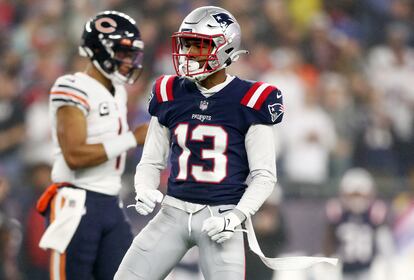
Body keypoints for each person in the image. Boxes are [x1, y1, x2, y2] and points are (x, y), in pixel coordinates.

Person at [115, 6, 285, 280]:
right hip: (172, 213)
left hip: (220, 218)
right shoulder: (168, 91)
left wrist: (236, 217)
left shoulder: (251, 98)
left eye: (198, 45)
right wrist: (143, 187)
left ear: (225, 48)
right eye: (186, 44)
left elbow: (264, 175)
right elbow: (151, 161)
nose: (188, 53)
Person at [36, 11, 148, 280]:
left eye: (131, 53)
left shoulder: (118, 91)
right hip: (76, 201)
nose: (129, 61)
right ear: (98, 50)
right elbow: (74, 155)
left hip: (110, 200)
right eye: (122, 52)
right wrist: (132, 138)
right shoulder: (72, 87)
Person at [323, 168, 394, 280]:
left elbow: (385, 243)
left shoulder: (375, 213)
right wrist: (326, 263)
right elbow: (329, 242)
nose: (357, 200)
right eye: (353, 195)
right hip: (344, 270)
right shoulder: (338, 213)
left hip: (367, 270)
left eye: (360, 195)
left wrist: (389, 266)